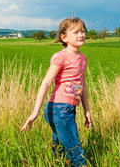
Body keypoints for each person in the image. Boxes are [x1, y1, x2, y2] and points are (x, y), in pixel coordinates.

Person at [21, 17, 92, 166]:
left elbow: (82, 85)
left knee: (59, 150)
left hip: (70, 109)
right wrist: (35, 112)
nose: (81, 35)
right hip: (58, 109)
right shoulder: (60, 57)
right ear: (63, 37)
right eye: (76, 32)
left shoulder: (83, 59)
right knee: (76, 152)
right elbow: (46, 82)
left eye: (83, 31)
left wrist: (87, 110)